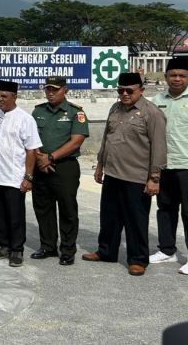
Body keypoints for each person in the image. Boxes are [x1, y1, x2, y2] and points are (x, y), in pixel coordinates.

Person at [83, 72, 167, 275]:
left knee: (135, 220)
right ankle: (106, 251)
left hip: (136, 177)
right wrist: (101, 165)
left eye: (130, 90)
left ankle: (138, 259)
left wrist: (154, 178)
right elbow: (107, 138)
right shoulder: (115, 108)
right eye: (121, 90)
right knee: (109, 217)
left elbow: (159, 148)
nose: (125, 94)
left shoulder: (152, 113)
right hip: (113, 173)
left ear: (141, 90)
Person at [30, 76, 90, 266]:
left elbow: (76, 141)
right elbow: (31, 137)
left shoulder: (76, 112)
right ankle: (48, 246)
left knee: (67, 208)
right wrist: (40, 158)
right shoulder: (38, 111)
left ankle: (67, 249)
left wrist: (51, 157)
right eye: (48, 89)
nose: (51, 93)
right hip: (40, 165)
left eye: (55, 89)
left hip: (65, 167)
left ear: (65, 90)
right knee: (43, 207)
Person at [0, 80, 42, 267]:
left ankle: (17, 249)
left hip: (14, 177)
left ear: (14, 97)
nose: (0, 99)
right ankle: (4, 246)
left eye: (4, 96)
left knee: (15, 215)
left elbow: (32, 150)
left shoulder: (25, 119)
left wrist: (28, 177)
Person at [150, 57, 188, 272]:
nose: (177, 79)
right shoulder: (156, 101)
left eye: (182, 75)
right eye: (173, 75)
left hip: (187, 166)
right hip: (164, 166)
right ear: (165, 77)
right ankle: (167, 250)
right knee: (165, 209)